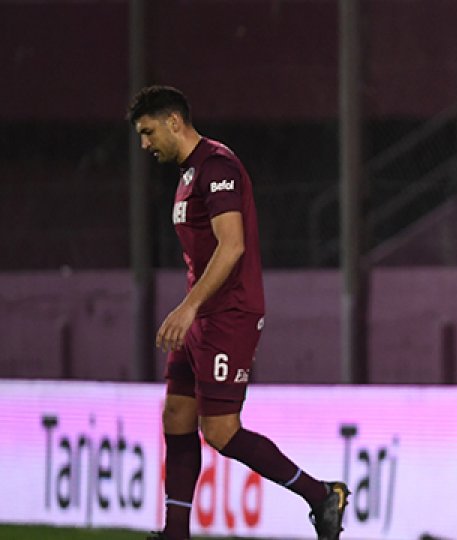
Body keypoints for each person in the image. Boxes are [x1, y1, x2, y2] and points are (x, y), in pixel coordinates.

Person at [127, 86, 348, 540]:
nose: (145, 144)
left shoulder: (217, 167)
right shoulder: (189, 174)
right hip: (202, 315)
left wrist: (188, 309)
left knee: (222, 432)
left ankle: (321, 495)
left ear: (174, 122)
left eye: (148, 132)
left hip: (229, 314)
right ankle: (175, 532)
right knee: (176, 415)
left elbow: (233, 246)